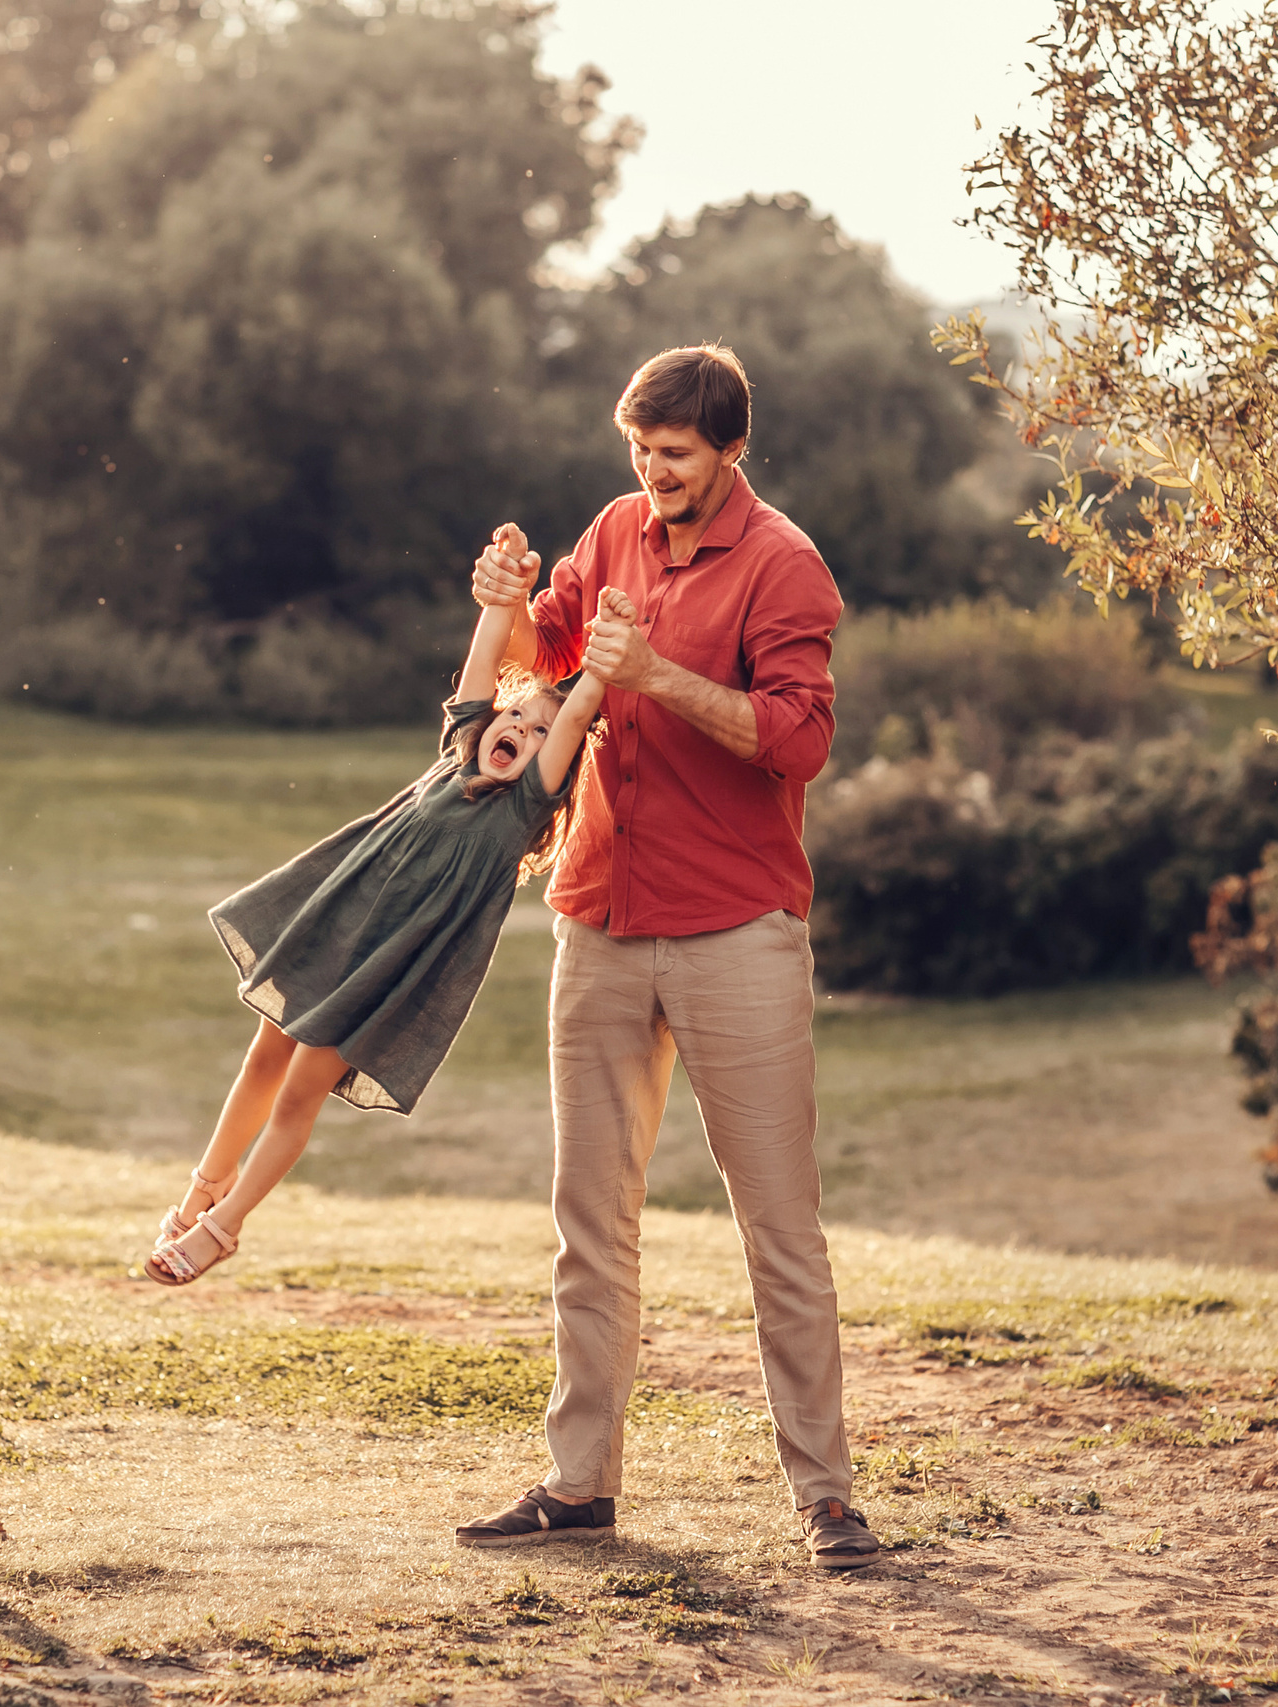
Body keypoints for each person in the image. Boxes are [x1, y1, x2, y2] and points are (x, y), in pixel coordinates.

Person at [451, 345, 879, 1569]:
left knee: (777, 1227)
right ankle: (578, 1485)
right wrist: (503, 600)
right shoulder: (616, 527)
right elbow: (543, 652)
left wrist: (658, 678)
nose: (653, 474)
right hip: (593, 916)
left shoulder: (785, 566)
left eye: (676, 456)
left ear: (731, 451)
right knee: (589, 1218)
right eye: (638, 451)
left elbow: (795, 742)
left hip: (734, 930)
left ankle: (827, 1496)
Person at [148, 591, 613, 1285]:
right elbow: (486, 655)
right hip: (336, 927)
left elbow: (577, 711)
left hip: (382, 969)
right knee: (260, 1064)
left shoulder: (520, 809)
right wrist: (505, 592)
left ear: (555, 767)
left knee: (299, 1094)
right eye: (516, 712)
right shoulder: (458, 756)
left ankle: (224, 1226)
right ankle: (201, 1190)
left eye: (541, 732)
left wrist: (608, 656)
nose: (522, 724)